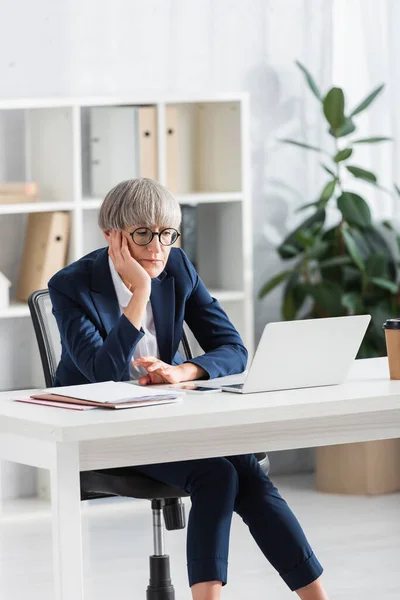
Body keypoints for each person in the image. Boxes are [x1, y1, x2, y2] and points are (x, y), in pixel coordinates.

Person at [48, 178, 329, 600]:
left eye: (167, 233)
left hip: (166, 414)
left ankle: (318, 597)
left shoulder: (177, 267)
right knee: (214, 473)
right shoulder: (70, 285)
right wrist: (139, 293)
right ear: (112, 235)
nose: (158, 248)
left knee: (245, 470)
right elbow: (101, 373)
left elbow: (233, 349)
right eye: (142, 234)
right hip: (100, 431)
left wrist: (185, 371)